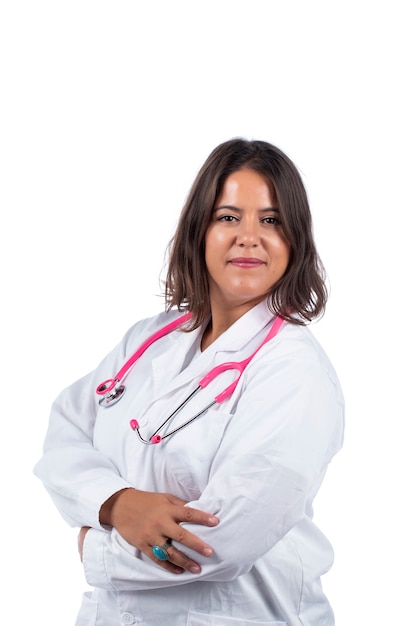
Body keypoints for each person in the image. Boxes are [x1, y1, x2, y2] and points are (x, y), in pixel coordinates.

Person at [34, 138, 344, 626]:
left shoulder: (292, 370)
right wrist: (116, 504)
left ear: (295, 240)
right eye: (227, 217)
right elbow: (64, 434)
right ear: (198, 230)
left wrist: (95, 544)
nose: (248, 236)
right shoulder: (150, 339)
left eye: (270, 220)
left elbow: (222, 540)